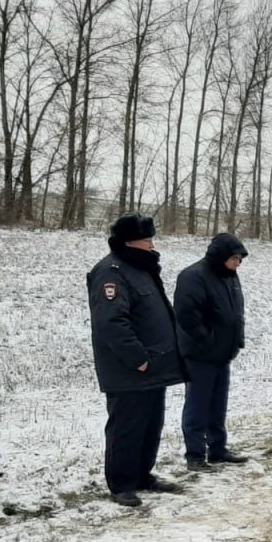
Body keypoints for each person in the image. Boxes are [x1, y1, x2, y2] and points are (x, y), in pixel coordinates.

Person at [87, 213, 186, 507]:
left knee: (150, 423)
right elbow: (112, 324)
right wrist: (138, 359)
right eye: (148, 240)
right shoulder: (111, 272)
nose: (153, 245)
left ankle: (143, 475)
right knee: (127, 426)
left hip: (154, 366)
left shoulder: (140, 268)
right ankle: (121, 483)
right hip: (130, 368)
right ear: (131, 242)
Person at [174, 232, 249, 471]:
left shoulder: (230, 277)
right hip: (200, 355)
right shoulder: (193, 276)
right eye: (235, 258)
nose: (238, 263)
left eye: (240, 259)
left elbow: (236, 313)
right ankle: (195, 456)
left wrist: (237, 340)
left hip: (223, 354)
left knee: (218, 406)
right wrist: (207, 341)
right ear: (221, 256)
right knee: (197, 407)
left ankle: (218, 450)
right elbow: (186, 315)